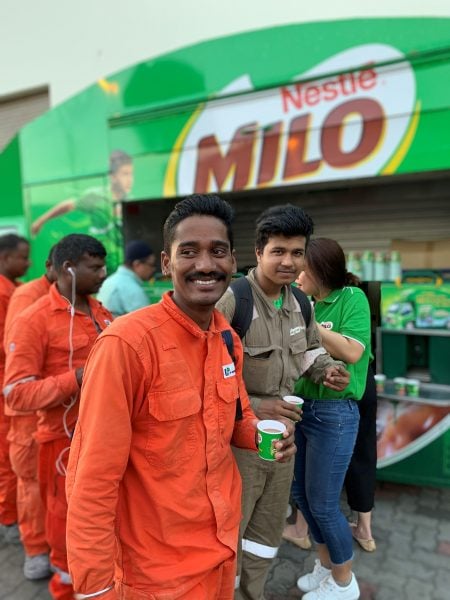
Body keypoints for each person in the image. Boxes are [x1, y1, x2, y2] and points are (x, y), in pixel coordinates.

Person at [65, 194, 296, 600]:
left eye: (217, 252)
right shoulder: (127, 345)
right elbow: (91, 480)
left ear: (233, 261)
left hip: (220, 551)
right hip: (155, 574)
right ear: (166, 263)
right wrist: (95, 588)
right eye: (188, 252)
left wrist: (262, 433)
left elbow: (237, 417)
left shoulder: (227, 338)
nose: (205, 264)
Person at [216, 207, 351, 600]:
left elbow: (309, 350)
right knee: (230, 531)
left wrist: (326, 369)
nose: (288, 261)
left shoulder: (300, 303)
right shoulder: (232, 302)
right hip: (237, 444)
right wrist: (257, 404)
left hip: (283, 443)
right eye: (278, 251)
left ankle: (253, 593)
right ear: (259, 252)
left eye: (297, 253)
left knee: (266, 531)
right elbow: (206, 376)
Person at [3, 234, 113, 600]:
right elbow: (16, 393)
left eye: (103, 266)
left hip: (105, 437)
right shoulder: (33, 319)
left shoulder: (101, 311)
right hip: (61, 444)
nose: (103, 274)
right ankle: (65, 587)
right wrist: (76, 378)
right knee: (67, 529)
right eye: (95, 267)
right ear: (68, 269)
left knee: (103, 523)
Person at [293, 237, 372, 600]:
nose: (295, 275)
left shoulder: (351, 298)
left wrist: (308, 320)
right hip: (302, 409)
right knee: (303, 497)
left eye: (301, 268)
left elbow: (353, 352)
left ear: (319, 270)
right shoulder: (306, 302)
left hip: (334, 414)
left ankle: (344, 583)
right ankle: (326, 566)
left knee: (324, 504)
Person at [3, 245, 57, 579]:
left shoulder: (69, 298)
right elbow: (17, 355)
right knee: (29, 477)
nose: (26, 262)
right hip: (27, 405)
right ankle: (34, 547)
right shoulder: (27, 297)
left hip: (51, 406)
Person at [30, 150, 133, 273]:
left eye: (131, 174)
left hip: (121, 265)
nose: (129, 179)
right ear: (113, 176)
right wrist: (40, 221)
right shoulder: (98, 196)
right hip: (100, 264)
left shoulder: (130, 201)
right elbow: (68, 205)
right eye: (125, 174)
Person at [0, 233, 30, 544]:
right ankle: (8, 518)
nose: (28, 263)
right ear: (5, 257)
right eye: (23, 257)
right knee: (8, 456)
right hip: (7, 385)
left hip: (10, 382)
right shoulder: (4, 293)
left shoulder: (16, 289)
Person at [97, 239, 156, 317]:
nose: (153, 269)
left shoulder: (109, 281)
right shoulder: (132, 289)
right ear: (137, 264)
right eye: (152, 265)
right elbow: (146, 321)